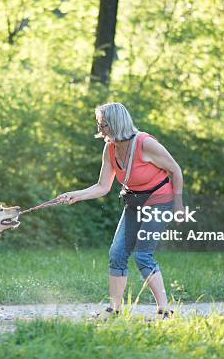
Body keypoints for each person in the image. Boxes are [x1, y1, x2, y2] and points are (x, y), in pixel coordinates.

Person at [56, 102, 183, 319]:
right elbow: (102, 186)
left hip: (160, 200)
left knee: (143, 255)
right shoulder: (111, 148)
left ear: (116, 123)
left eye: (103, 125)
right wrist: (75, 195)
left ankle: (165, 310)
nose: (100, 130)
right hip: (134, 201)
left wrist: (178, 204)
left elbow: (175, 169)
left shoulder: (145, 144)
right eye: (99, 125)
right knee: (117, 254)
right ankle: (113, 310)